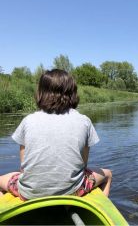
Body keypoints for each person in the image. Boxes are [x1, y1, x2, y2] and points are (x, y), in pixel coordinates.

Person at [0, 69, 112, 200]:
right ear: (73, 93)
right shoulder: (84, 121)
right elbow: (83, 164)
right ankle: (100, 206)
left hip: (28, 194)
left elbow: (23, 166)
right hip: (73, 192)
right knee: (108, 174)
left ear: (41, 93)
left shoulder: (28, 120)